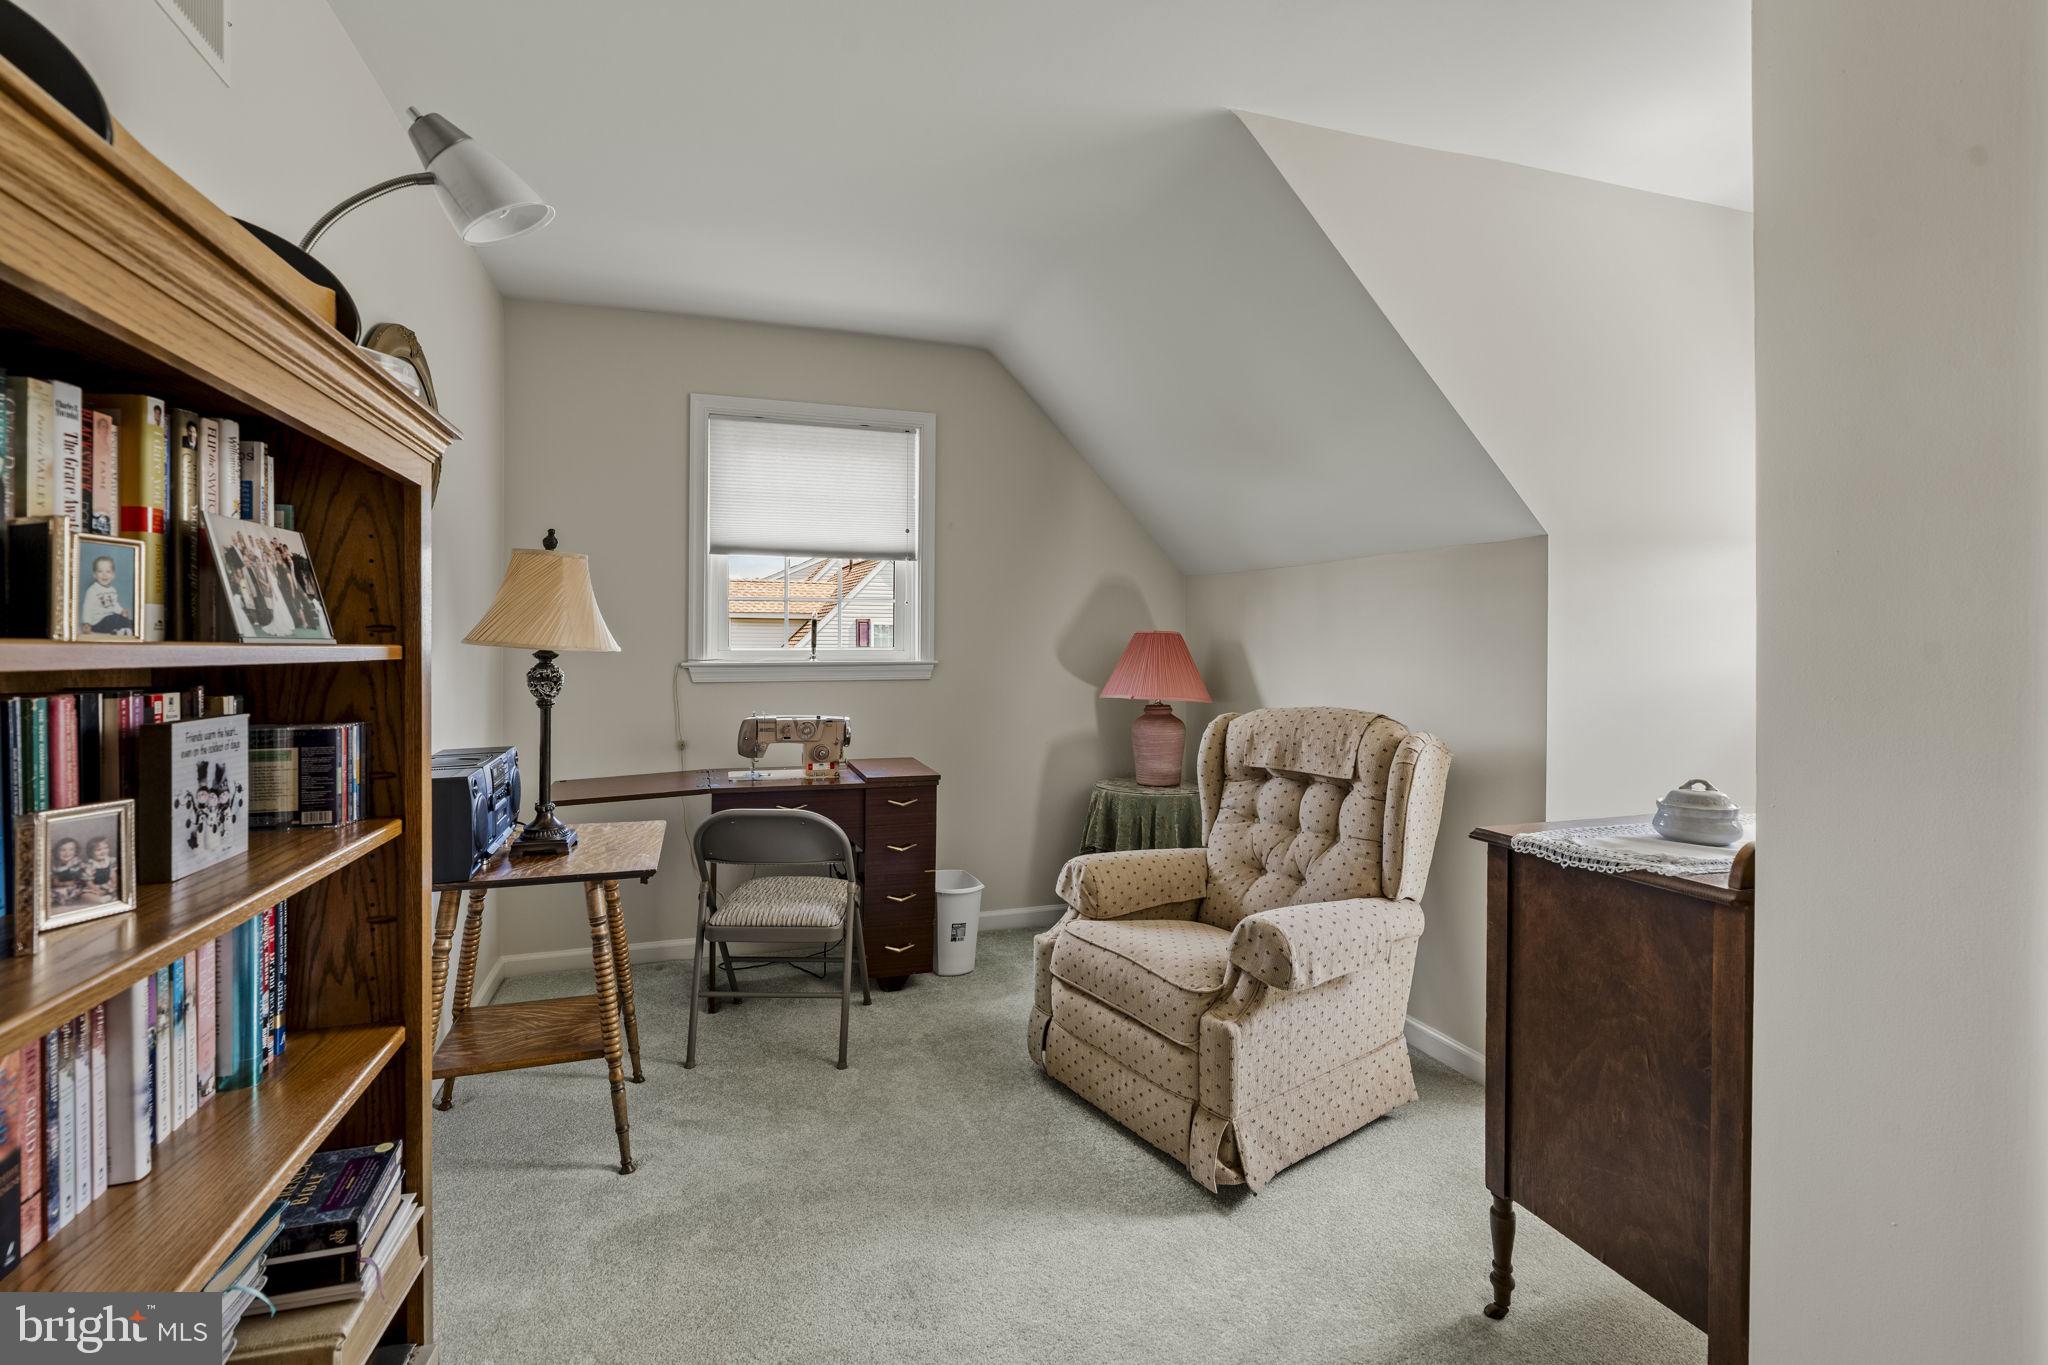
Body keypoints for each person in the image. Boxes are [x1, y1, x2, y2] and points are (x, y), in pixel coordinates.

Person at [78, 553, 134, 636]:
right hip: (97, 622)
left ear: (113, 575)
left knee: (125, 619)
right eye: (100, 571)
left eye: (108, 571)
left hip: (110, 618)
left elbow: (114, 604)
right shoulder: (92, 590)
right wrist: (87, 622)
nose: (104, 575)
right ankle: (122, 630)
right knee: (113, 619)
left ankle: (122, 629)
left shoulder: (112, 590)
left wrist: (121, 611)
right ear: (94, 575)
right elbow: (87, 607)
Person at [50, 836, 87, 905]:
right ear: (56, 852)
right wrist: (65, 883)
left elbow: (85, 876)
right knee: (52, 894)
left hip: (79, 888)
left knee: (85, 894)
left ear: (75, 851)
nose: (67, 853)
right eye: (63, 850)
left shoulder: (77, 862)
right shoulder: (55, 866)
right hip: (63, 888)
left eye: (71, 850)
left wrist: (86, 869)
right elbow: (55, 882)